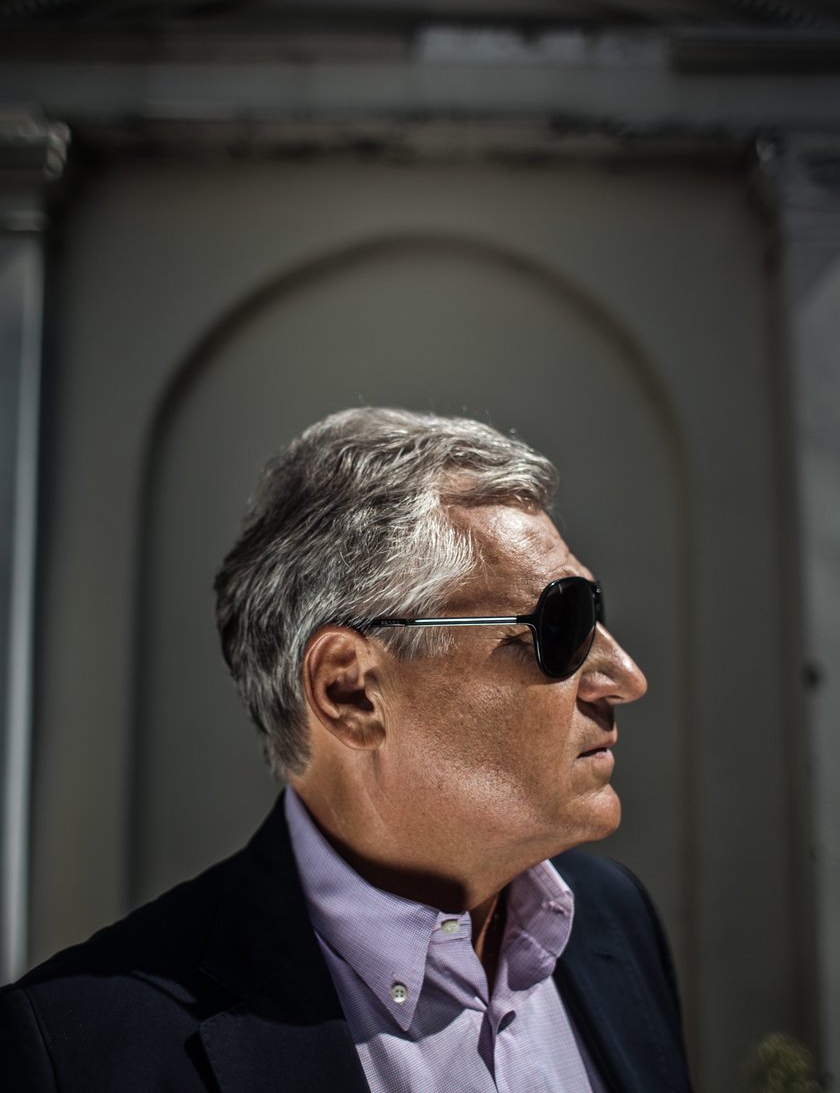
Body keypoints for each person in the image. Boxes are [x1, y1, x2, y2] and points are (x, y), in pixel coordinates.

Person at [0, 407, 693, 1092]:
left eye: (595, 611)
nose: (626, 676)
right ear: (350, 691)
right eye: (563, 625)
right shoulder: (77, 1051)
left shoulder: (612, 919)